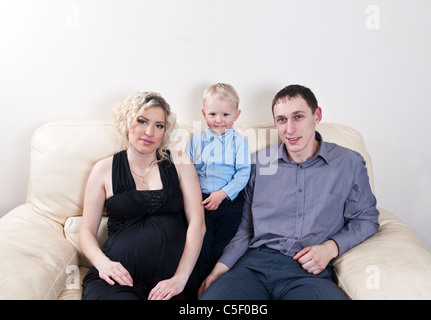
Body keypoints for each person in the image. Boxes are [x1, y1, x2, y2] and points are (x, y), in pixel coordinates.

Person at [199, 84, 379, 300]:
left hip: (308, 273)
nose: (290, 130)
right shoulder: (258, 164)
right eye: (282, 120)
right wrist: (220, 269)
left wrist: (330, 248)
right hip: (252, 267)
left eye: (298, 117)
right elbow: (246, 228)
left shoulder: (348, 163)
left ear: (317, 115)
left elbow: (366, 219)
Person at [80, 92, 205, 300]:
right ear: (127, 122)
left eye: (159, 125)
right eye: (142, 121)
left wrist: (180, 278)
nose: (149, 132)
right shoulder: (103, 170)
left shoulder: (181, 163)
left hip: (171, 282)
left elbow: (198, 225)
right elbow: (85, 231)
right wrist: (103, 264)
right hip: (118, 280)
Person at [186, 83, 251, 284]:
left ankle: (217, 281)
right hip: (202, 201)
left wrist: (222, 194)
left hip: (228, 201)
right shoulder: (196, 140)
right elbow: (189, 172)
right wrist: (196, 197)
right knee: (201, 242)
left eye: (225, 115)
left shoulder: (239, 142)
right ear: (204, 113)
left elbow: (243, 173)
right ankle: (198, 282)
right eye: (213, 114)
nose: (219, 120)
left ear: (236, 115)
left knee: (223, 243)